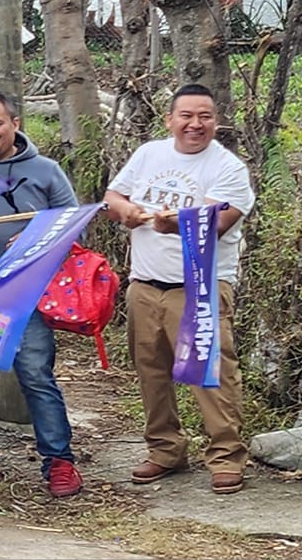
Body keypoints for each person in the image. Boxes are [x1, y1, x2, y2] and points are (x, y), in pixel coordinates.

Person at [104, 83, 257, 496]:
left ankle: (226, 457)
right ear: (170, 120)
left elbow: (219, 221)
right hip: (145, 284)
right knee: (151, 372)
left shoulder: (228, 168)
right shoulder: (149, 154)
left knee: (210, 375)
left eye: (204, 116)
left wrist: (175, 223)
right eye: (186, 116)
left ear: (216, 121)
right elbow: (113, 195)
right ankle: (166, 449)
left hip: (199, 288)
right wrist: (127, 212)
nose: (195, 124)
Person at [0, 89, 85, 497]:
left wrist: (34, 239)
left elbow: (72, 225)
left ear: (15, 124)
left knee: (35, 375)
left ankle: (59, 461)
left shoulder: (45, 170)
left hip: (28, 295)